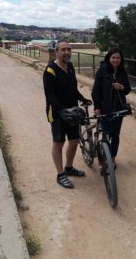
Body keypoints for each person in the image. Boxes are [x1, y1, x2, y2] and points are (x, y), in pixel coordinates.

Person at [43, 40, 92, 188]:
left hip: (73, 112)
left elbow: (72, 88)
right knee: (59, 143)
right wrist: (62, 110)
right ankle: (60, 174)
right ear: (56, 52)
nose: (67, 52)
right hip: (57, 113)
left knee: (74, 140)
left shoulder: (70, 66)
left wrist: (82, 98)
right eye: (63, 50)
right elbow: (50, 95)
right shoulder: (50, 70)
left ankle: (69, 168)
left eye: (69, 49)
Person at [91, 48, 131, 173]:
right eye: (113, 57)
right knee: (104, 134)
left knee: (115, 135)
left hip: (119, 108)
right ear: (109, 58)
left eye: (118, 58)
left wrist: (121, 87)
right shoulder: (102, 72)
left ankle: (112, 158)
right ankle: (102, 159)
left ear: (121, 59)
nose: (115, 60)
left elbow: (128, 89)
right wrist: (97, 107)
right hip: (104, 108)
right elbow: (95, 91)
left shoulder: (122, 72)